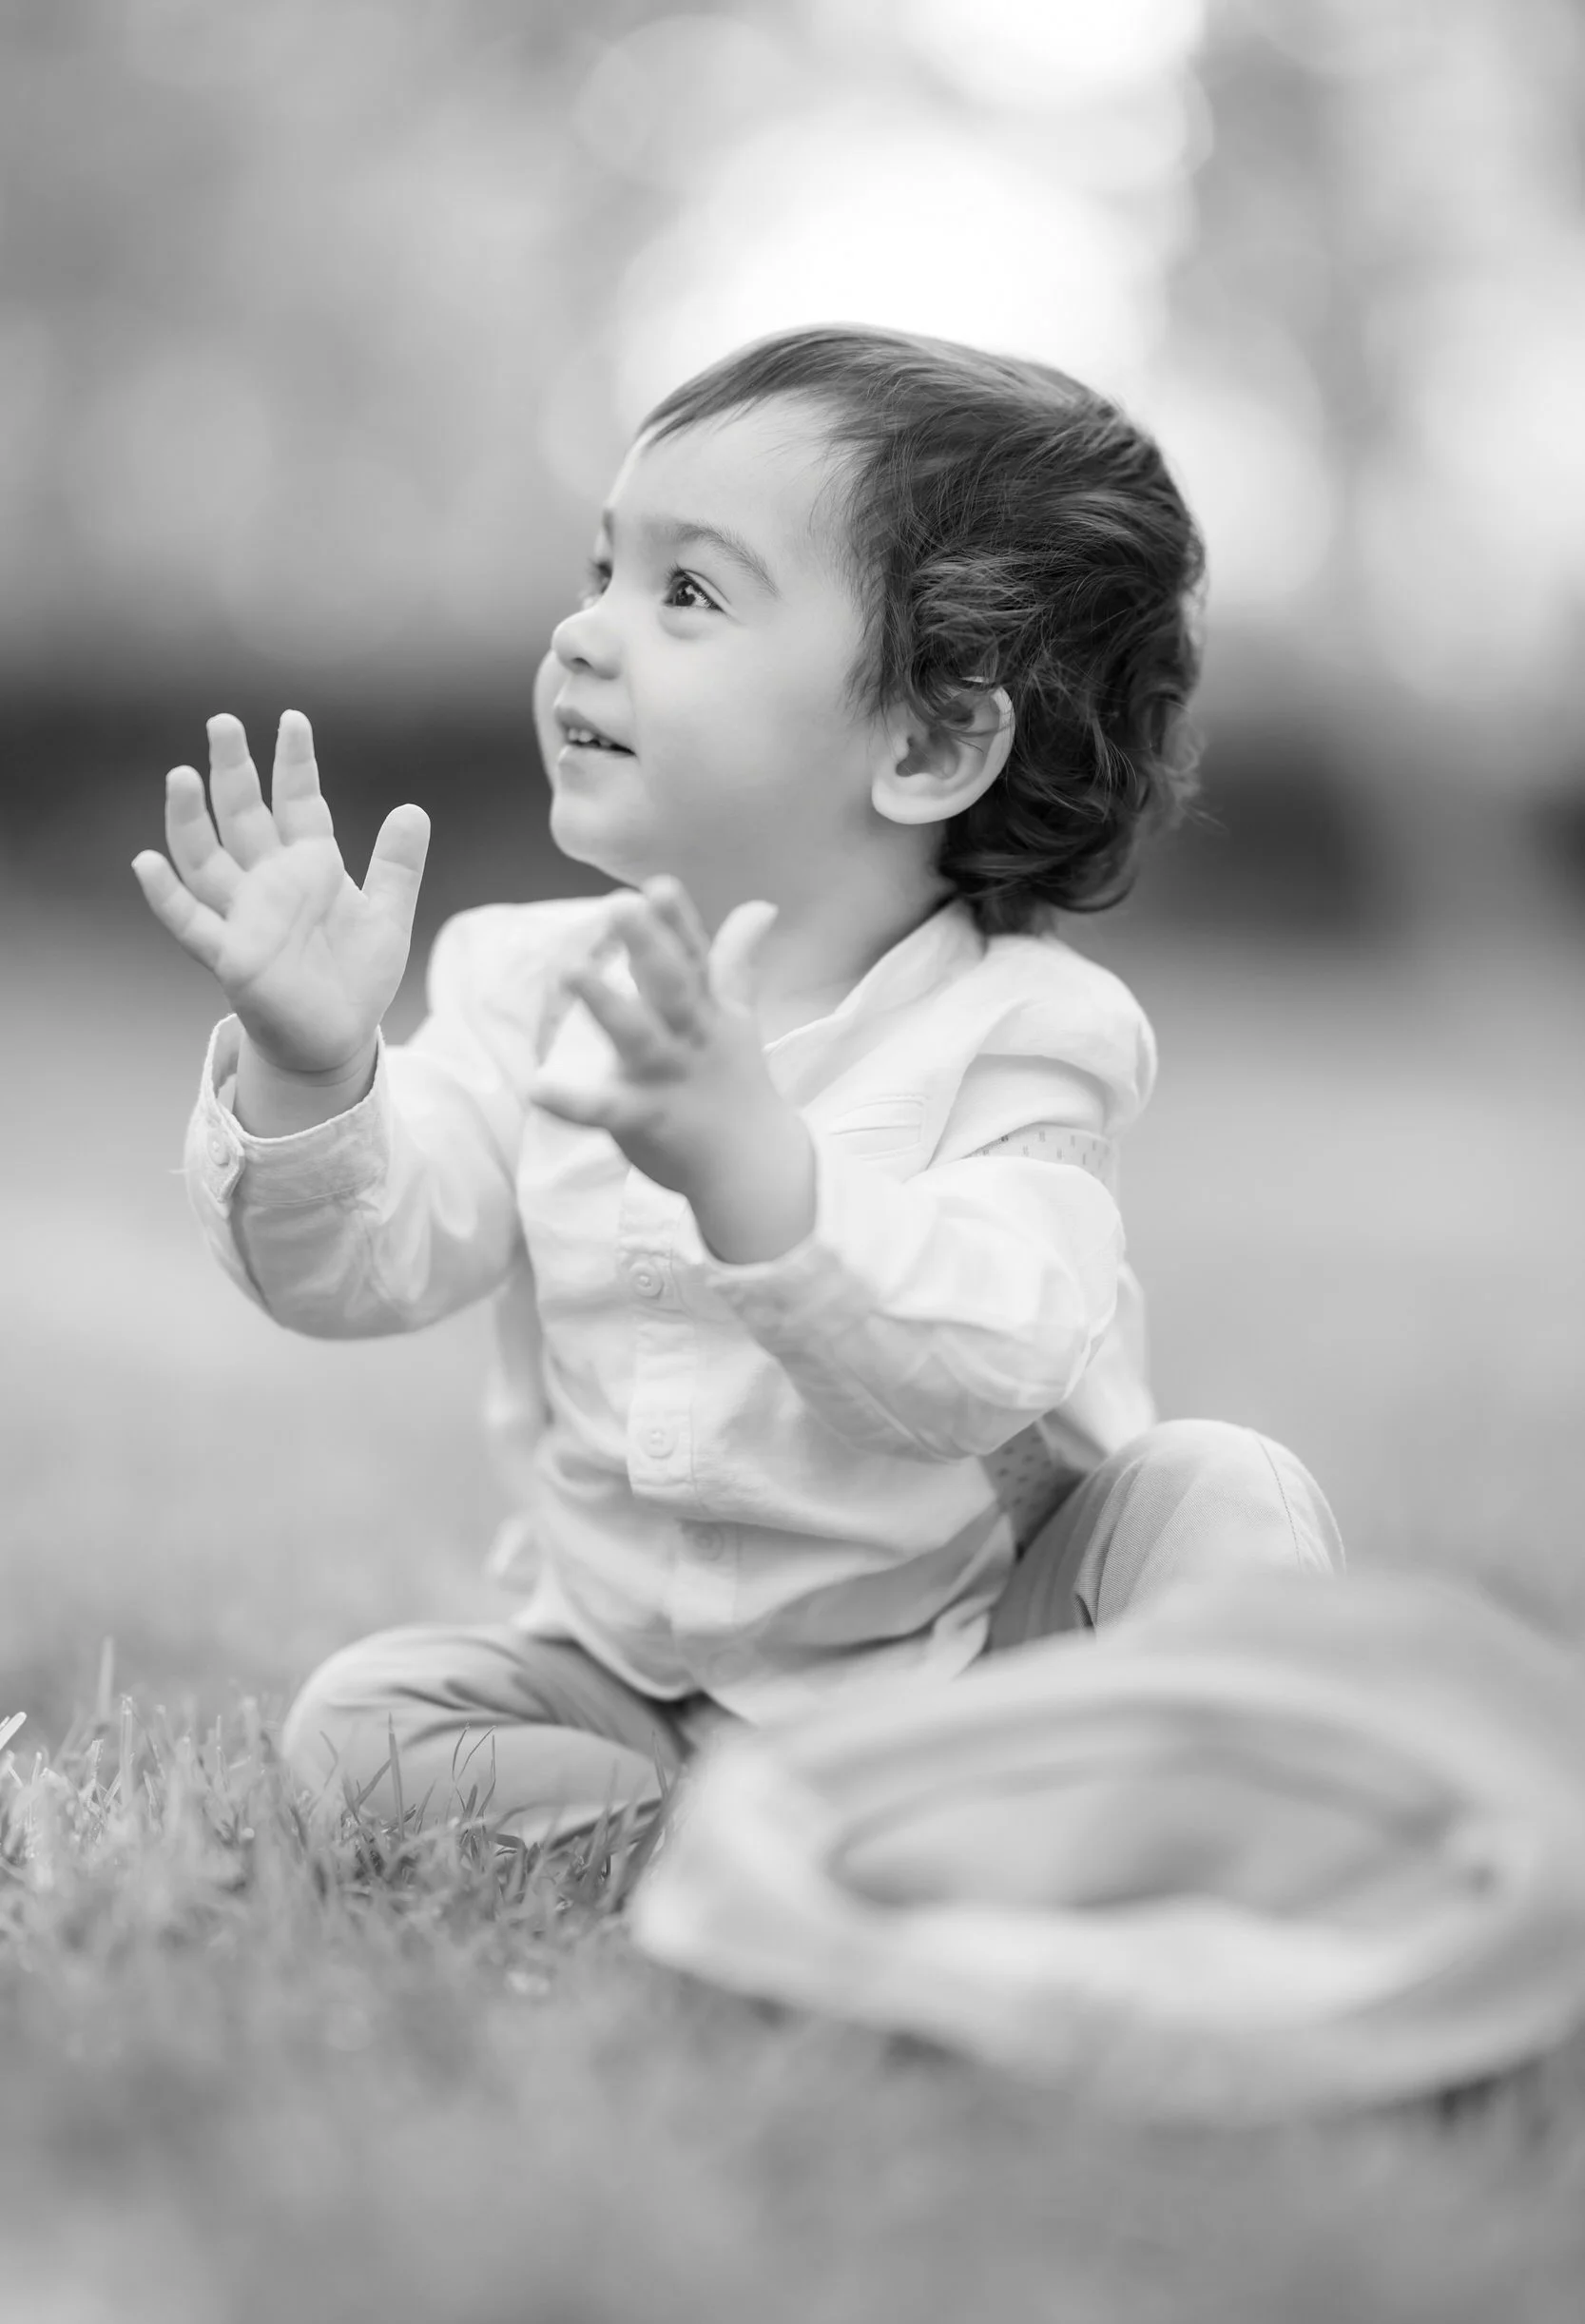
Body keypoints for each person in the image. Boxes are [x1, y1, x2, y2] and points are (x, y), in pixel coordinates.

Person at [131, 325, 1343, 1850]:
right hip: (645, 1679)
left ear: (932, 736)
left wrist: (758, 1178)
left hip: (991, 1662)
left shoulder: (1027, 1034)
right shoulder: (528, 982)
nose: (585, 635)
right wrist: (313, 1060)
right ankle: (755, 1832)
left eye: (686, 592)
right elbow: (362, 1264)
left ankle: (1224, 1800)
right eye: (599, 573)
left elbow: (990, 1356)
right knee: (362, 1731)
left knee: (1216, 1492)